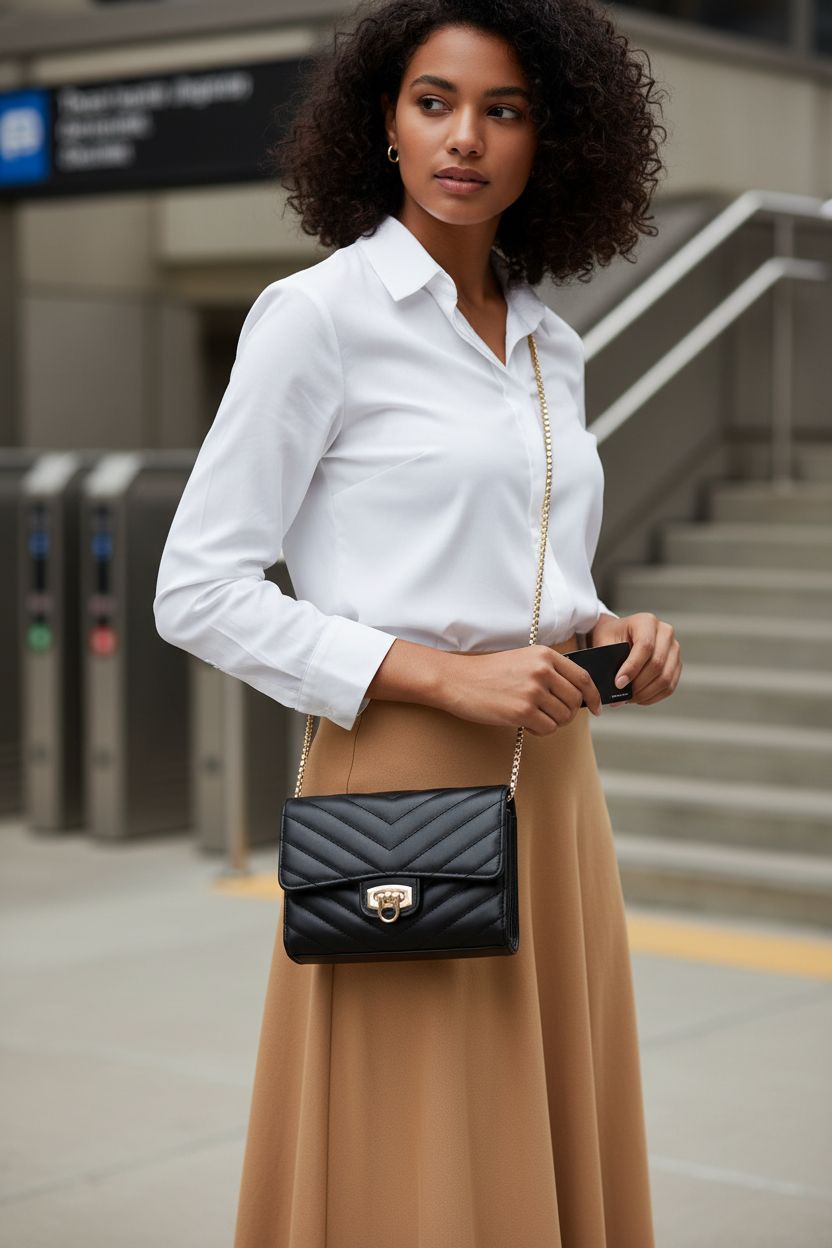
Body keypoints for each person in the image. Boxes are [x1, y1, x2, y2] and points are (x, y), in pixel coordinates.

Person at [153, 1, 680, 1243]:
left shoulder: (554, 343)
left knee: (544, 1127)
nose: (465, 139)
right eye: (434, 103)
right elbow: (197, 586)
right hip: (396, 774)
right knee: (414, 1157)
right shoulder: (319, 316)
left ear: (551, 142)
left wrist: (616, 631)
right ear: (382, 126)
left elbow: (533, 574)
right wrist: (440, 680)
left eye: (504, 111)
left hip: (553, 783)